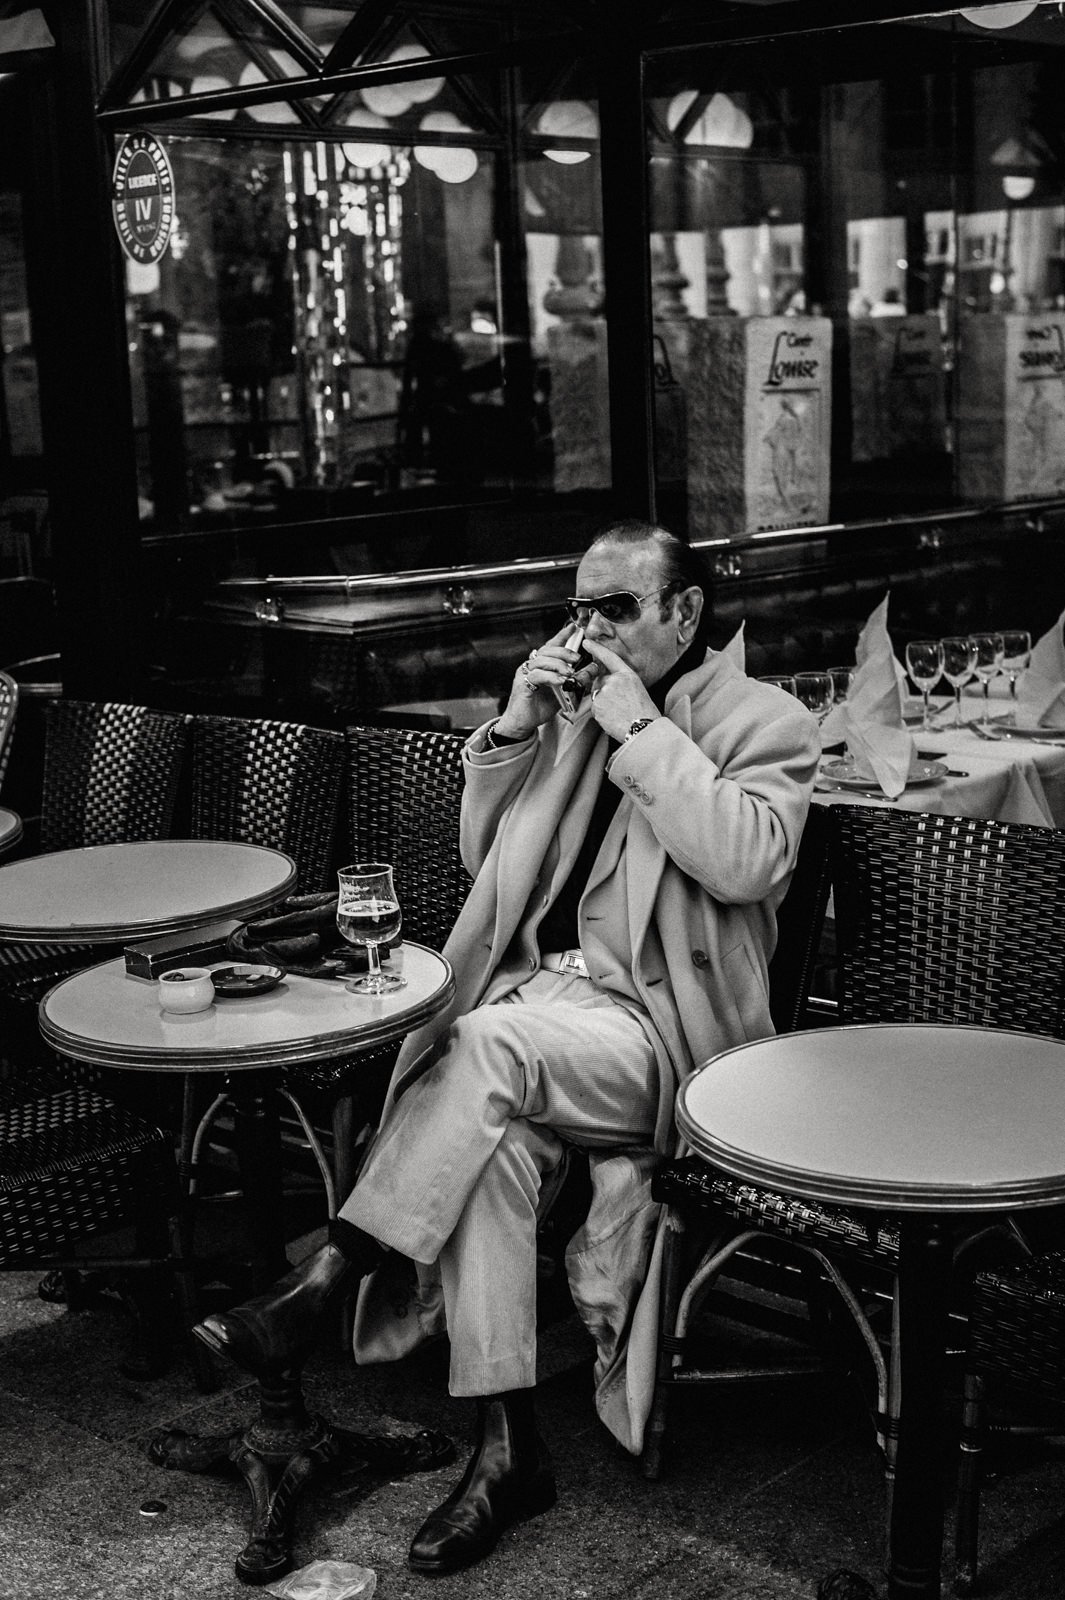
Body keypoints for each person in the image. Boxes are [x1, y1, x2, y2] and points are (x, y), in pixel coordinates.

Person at [194, 517, 820, 1575]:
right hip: (537, 1008)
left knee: (480, 1044)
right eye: (580, 609)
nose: (592, 630)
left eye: (616, 607)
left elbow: (749, 862)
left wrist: (639, 729)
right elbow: (488, 859)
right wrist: (518, 730)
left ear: (684, 612)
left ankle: (330, 1273)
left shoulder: (766, 719)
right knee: (491, 1148)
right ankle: (505, 1448)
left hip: (659, 1032)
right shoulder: (573, 711)